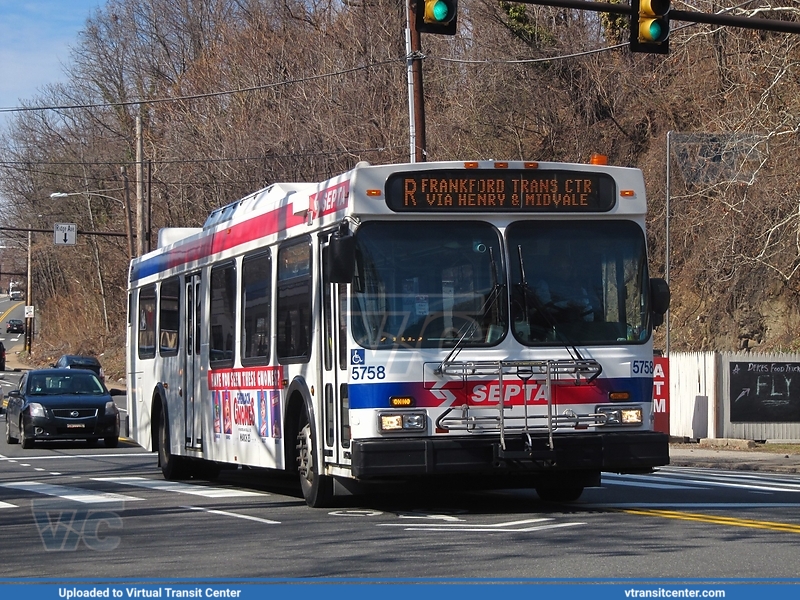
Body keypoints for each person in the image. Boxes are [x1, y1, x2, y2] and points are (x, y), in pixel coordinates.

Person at [533, 255, 595, 322]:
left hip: (578, 324)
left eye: (568, 268)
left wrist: (588, 321)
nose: (565, 271)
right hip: (554, 324)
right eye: (560, 269)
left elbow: (587, 304)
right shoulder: (544, 284)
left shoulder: (577, 284)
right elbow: (545, 306)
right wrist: (567, 304)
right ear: (552, 270)